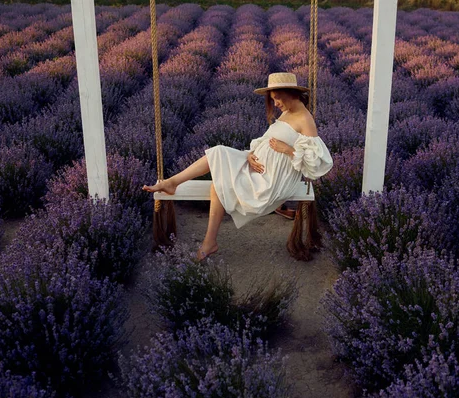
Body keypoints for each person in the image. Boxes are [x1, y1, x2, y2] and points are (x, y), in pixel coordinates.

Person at [142, 72, 333, 261]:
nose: (275, 104)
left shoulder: (305, 119)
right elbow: (266, 141)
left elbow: (315, 161)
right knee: (217, 157)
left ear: (288, 93)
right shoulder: (286, 113)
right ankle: (176, 189)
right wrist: (251, 155)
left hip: (273, 180)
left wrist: (288, 149)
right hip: (258, 167)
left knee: (218, 173)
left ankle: (207, 239)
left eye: (276, 98)